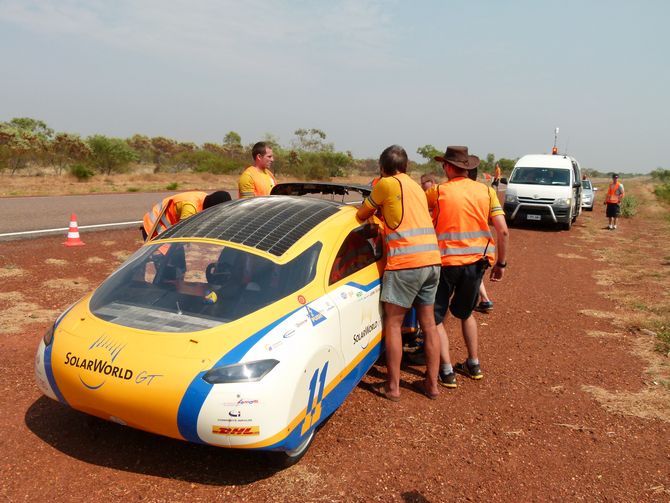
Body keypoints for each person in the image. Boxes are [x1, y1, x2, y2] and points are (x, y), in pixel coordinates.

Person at [356, 145, 442, 401]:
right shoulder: (416, 186)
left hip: (406, 262)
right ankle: (432, 385)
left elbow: (362, 213)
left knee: (393, 324)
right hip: (432, 261)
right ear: (405, 166)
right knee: (429, 325)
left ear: (383, 168)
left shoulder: (385, 184)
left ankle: (393, 387)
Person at [427, 146, 509, 388]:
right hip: (476, 263)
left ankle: (447, 370)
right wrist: (501, 264)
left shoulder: (437, 191)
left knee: (436, 318)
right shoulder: (486, 192)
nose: (443, 169)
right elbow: (502, 230)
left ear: (450, 167)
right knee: (466, 313)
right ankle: (473, 364)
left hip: (445, 263)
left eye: (444, 165)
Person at [141, 190, 232, 240]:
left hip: (167, 229)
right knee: (172, 266)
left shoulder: (204, 197)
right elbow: (182, 233)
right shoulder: (190, 207)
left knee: (176, 265)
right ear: (213, 206)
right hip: (155, 228)